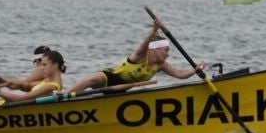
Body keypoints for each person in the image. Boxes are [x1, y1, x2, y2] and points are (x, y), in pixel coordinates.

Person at [68, 23, 203, 96]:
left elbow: (180, 74)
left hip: (121, 89)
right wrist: (153, 30)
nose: (168, 54)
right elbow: (145, 43)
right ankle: (64, 95)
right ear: (155, 49)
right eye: (166, 50)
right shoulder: (140, 56)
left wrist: (195, 68)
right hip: (108, 77)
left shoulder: (161, 65)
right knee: (92, 79)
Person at [0, 46, 66, 105]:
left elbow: (18, 99)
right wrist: (7, 82)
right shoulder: (47, 81)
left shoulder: (51, 87)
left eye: (44, 65)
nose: (41, 68)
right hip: (18, 105)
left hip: (18, 107)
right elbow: (25, 85)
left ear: (55, 65)